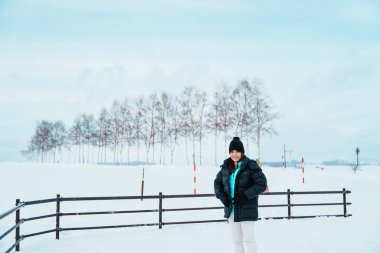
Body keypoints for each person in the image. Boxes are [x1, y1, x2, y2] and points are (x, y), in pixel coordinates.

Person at [214, 137, 267, 253]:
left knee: (249, 240)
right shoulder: (226, 166)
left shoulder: (251, 166)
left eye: (237, 151)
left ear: (242, 152)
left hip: (246, 208)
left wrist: (245, 195)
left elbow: (262, 184)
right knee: (236, 241)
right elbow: (217, 183)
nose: (235, 154)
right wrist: (221, 195)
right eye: (232, 151)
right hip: (231, 210)